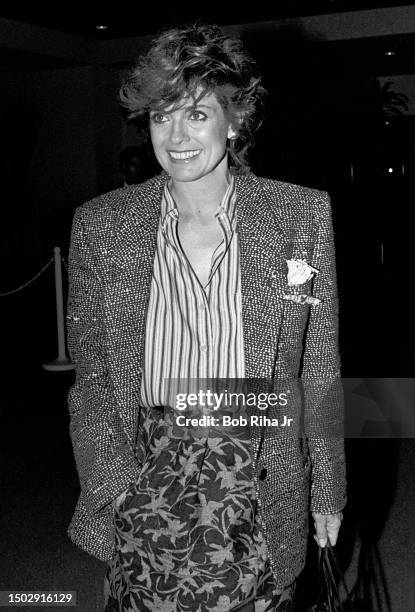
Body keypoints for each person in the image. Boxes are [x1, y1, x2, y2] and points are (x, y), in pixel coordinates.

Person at [66, 22, 346, 611]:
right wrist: (111, 483)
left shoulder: (298, 215)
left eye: (196, 114)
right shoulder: (103, 225)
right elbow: (90, 377)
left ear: (234, 120)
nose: (176, 135)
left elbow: (318, 366)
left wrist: (327, 493)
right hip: (147, 465)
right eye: (161, 116)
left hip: (257, 467)